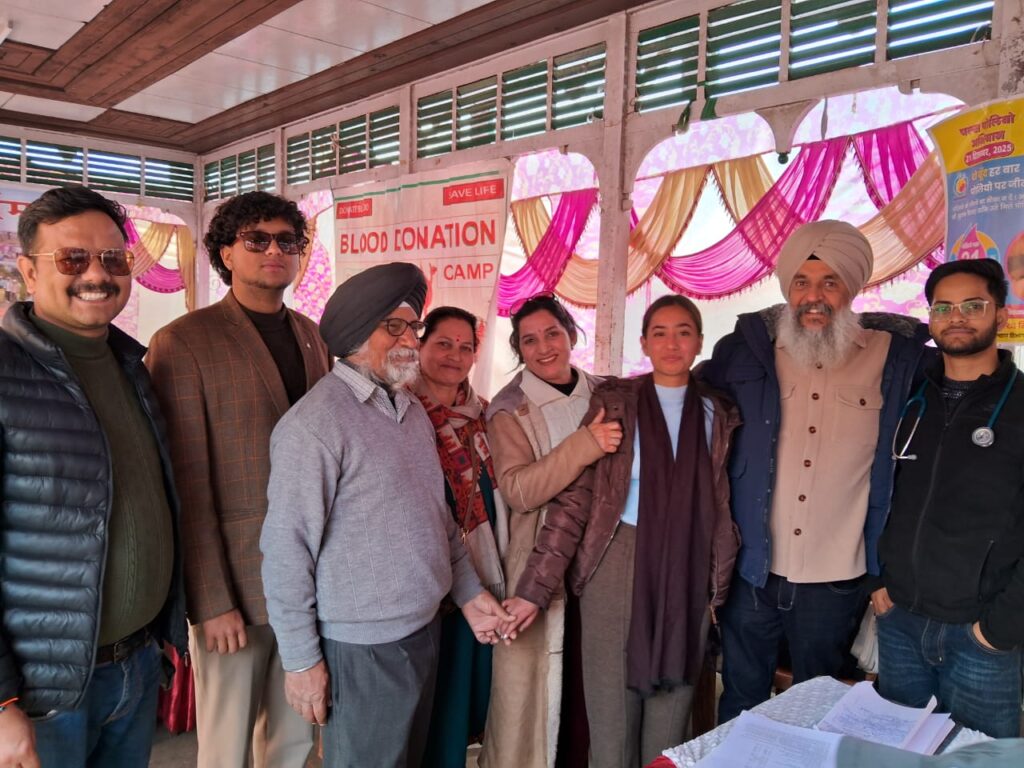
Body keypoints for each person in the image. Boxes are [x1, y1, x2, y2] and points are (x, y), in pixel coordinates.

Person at [260, 262, 515, 768]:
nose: (408, 340)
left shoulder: (410, 411)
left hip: (424, 632)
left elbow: (438, 519)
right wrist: (302, 661)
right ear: (356, 334)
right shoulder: (313, 426)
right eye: (392, 326)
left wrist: (469, 594)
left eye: (412, 327)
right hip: (362, 649)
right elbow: (287, 552)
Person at [700, 220, 931, 723]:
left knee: (817, 709)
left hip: (836, 578)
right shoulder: (746, 352)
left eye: (830, 282)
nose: (814, 297)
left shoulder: (896, 359)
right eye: (802, 282)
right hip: (753, 572)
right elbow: (687, 403)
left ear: (853, 287)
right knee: (740, 700)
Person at [508, 295, 741, 767]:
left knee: (671, 718)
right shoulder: (616, 405)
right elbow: (576, 501)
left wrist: (719, 583)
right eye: (659, 333)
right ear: (644, 343)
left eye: (683, 332)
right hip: (616, 561)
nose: (671, 343)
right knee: (611, 716)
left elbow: (722, 505)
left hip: (688, 567)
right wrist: (533, 589)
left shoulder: (718, 415)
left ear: (699, 342)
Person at [0, 185, 186, 768]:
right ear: (30, 272)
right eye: (73, 258)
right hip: (45, 694)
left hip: (137, 665)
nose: (97, 275)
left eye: (113, 258)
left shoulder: (132, 365)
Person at [147, 191, 329, 767]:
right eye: (257, 240)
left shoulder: (312, 335)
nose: (275, 251)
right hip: (234, 588)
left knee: (293, 741)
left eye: (287, 241)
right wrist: (210, 599)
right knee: (226, 748)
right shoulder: (183, 342)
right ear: (226, 253)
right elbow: (184, 483)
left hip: (307, 580)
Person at [873, 258, 1024, 737]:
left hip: (980, 636)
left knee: (978, 760)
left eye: (973, 305)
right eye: (943, 307)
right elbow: (880, 492)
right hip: (900, 621)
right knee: (895, 755)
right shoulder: (910, 397)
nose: (956, 317)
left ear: (1001, 314)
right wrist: (878, 583)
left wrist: (1000, 628)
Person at [482, 293, 622, 768]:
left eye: (552, 334)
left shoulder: (604, 393)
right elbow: (519, 491)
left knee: (589, 684)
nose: (544, 348)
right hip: (537, 562)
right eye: (530, 340)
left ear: (571, 334)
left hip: (603, 561)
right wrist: (583, 445)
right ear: (518, 349)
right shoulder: (510, 409)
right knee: (534, 694)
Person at [412, 306, 509, 767]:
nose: (454, 355)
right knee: (435, 696)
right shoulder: (403, 413)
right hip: (430, 576)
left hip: (484, 572)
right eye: (443, 344)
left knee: (467, 689)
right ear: (420, 346)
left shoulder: (485, 414)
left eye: (465, 347)